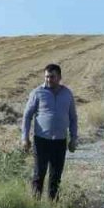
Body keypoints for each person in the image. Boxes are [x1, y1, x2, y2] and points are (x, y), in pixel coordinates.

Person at [21, 63, 78, 200]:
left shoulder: (67, 94)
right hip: (41, 140)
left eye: (52, 77)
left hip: (60, 141)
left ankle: (53, 206)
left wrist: (73, 138)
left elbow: (73, 118)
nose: (48, 79)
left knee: (55, 177)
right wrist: (25, 138)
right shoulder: (37, 93)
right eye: (46, 77)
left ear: (59, 77)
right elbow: (27, 116)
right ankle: (35, 205)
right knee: (39, 175)